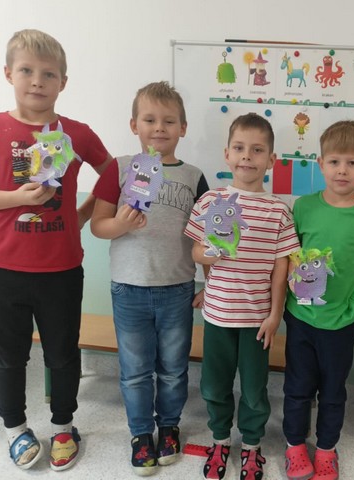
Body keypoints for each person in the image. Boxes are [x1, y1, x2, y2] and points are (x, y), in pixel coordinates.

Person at [0, 29, 112, 471]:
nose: (37, 81)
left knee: (63, 354)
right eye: (27, 70)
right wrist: (16, 198)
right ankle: (15, 430)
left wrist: (83, 214)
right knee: (9, 357)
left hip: (61, 269)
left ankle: (64, 426)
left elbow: (114, 176)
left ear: (63, 82)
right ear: (8, 73)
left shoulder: (78, 133)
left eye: (49, 74)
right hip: (2, 268)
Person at [90, 81, 209, 476]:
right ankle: (141, 434)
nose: (160, 128)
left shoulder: (194, 176)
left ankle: (169, 426)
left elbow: (206, 237)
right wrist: (121, 224)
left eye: (169, 121)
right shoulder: (119, 169)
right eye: (150, 119)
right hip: (129, 288)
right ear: (134, 125)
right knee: (136, 370)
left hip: (177, 288)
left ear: (183, 128)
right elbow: (98, 225)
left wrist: (209, 283)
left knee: (174, 368)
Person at [185, 112, 300, 480]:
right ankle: (220, 439)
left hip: (257, 320)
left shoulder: (279, 210)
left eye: (257, 150)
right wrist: (210, 261)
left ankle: (251, 445)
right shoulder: (210, 201)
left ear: (271, 159)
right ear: (227, 154)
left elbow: (282, 267)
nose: (247, 156)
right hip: (218, 315)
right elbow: (197, 252)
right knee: (214, 384)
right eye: (239, 148)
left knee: (253, 388)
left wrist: (275, 314)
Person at [283, 120, 354, 480]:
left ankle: (326, 449)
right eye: (334, 162)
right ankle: (294, 446)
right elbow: (288, 251)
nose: (342, 170)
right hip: (301, 316)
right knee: (297, 387)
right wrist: (290, 278)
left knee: (333, 391)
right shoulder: (304, 207)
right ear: (321, 164)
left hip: (342, 319)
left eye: (352, 163)